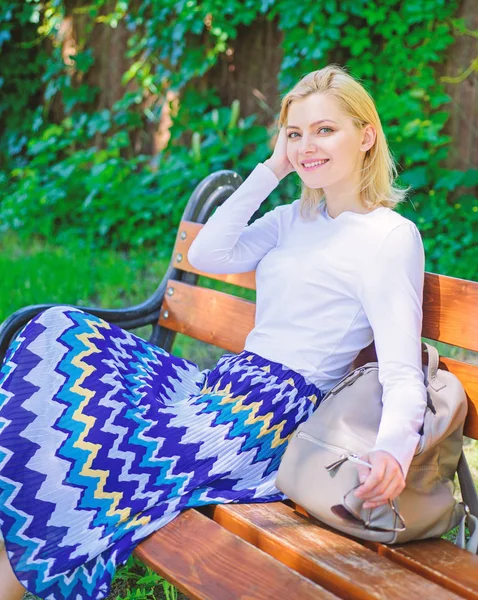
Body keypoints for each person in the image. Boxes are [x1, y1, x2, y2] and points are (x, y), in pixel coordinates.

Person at [0, 64, 426, 600]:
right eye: (295, 133)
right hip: (220, 386)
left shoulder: (389, 236)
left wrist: (393, 450)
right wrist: (272, 169)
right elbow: (206, 254)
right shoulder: (293, 217)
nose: (306, 146)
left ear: (366, 136)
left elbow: (402, 370)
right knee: (59, 332)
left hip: (271, 413)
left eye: (325, 130)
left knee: (91, 469)